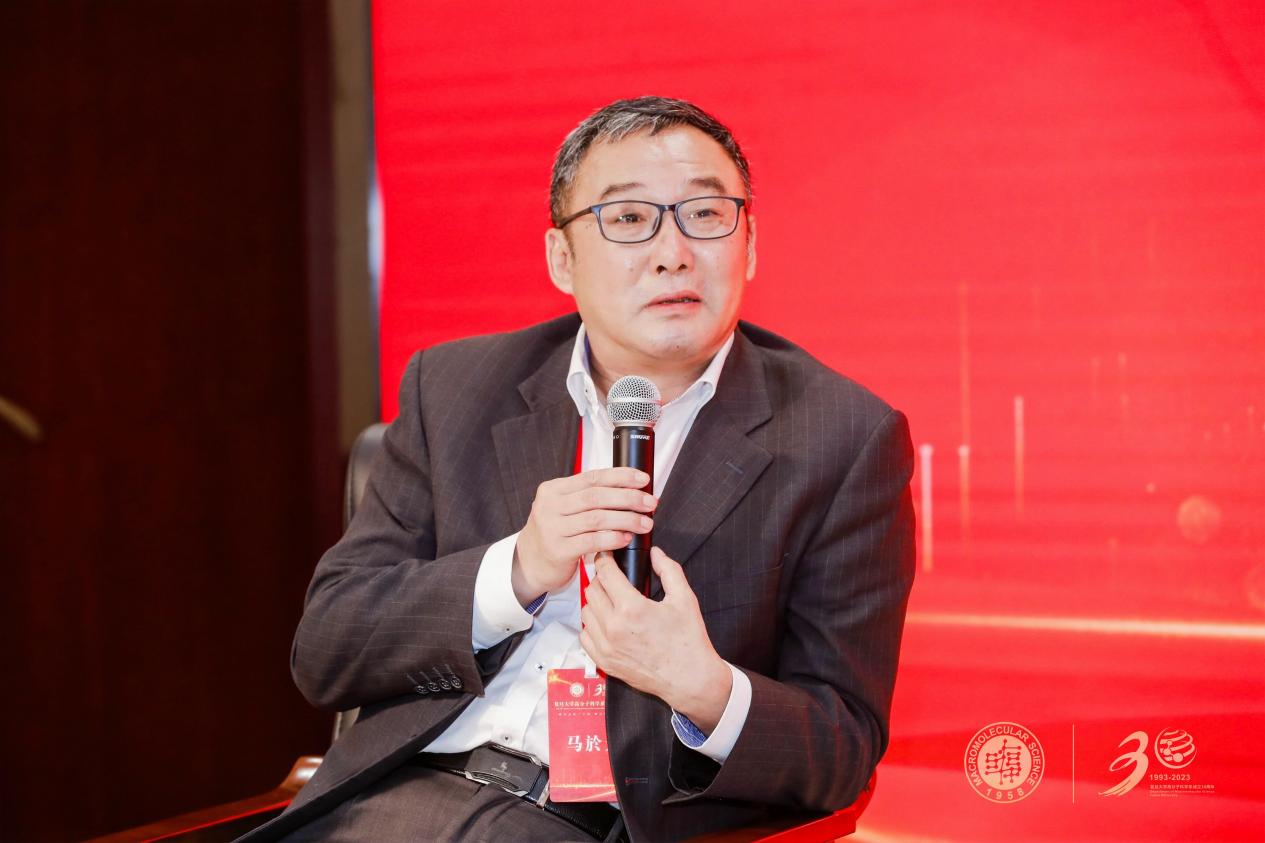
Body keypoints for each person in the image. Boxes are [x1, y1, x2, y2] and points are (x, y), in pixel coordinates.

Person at [242, 96, 915, 843]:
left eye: (705, 214)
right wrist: (516, 571)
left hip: (601, 826)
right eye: (628, 219)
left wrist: (703, 686)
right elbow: (327, 649)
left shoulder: (842, 439)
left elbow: (842, 746)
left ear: (749, 245)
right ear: (561, 259)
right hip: (392, 799)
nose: (672, 252)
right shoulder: (455, 389)